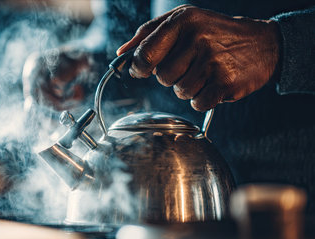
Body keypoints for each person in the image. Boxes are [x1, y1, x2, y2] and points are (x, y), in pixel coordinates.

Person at [23, 1, 315, 211]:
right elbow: (124, 22)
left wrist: (278, 44)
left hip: (299, 198)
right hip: (161, 189)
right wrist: (90, 61)